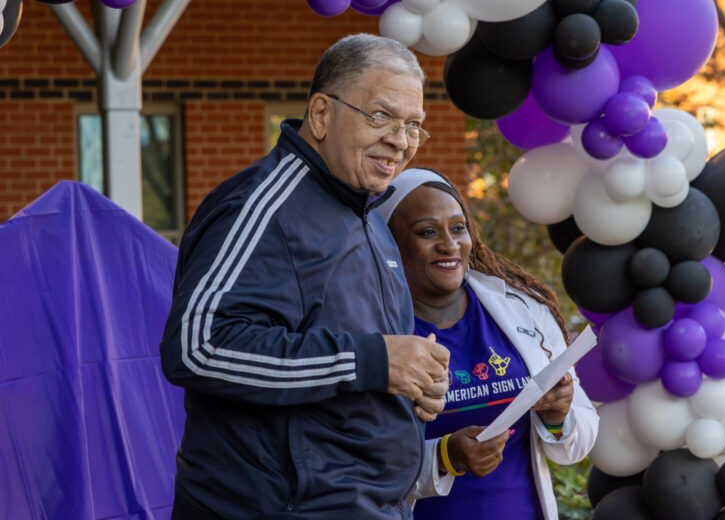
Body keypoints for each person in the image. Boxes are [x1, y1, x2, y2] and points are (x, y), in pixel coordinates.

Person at [160, 34, 451, 520]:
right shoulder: (261, 207)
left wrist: (413, 378)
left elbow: (363, 361)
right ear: (321, 114)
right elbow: (197, 347)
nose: (400, 141)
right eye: (380, 116)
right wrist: (373, 360)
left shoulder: (368, 213)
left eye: (413, 125)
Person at [378, 168, 598, 520]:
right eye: (427, 232)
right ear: (390, 244)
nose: (449, 244)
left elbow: (575, 447)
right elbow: (356, 462)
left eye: (458, 227)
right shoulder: (373, 331)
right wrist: (445, 456)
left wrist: (559, 417)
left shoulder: (523, 308)